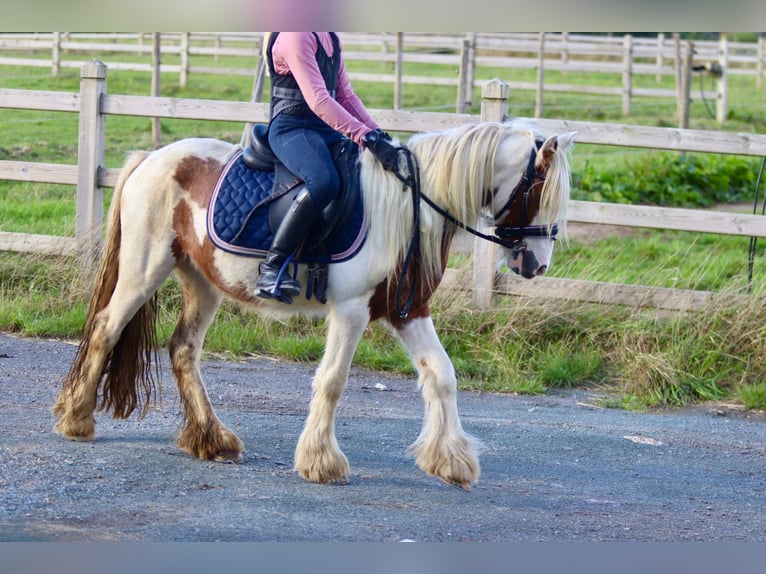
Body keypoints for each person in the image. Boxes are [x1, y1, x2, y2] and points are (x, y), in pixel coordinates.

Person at [256, 32, 401, 303]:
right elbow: (319, 100)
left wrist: (378, 134)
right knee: (324, 182)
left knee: (362, 174)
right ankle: (272, 266)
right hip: (292, 127)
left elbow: (345, 95)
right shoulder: (296, 36)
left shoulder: (330, 37)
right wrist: (364, 136)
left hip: (325, 129)